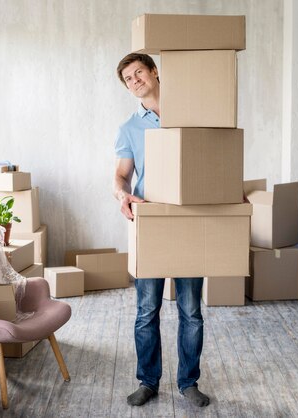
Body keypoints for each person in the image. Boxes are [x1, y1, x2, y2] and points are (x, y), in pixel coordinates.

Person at [113, 53, 210, 408]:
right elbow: (121, 176)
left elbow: (211, 158)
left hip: (188, 220)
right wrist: (122, 194)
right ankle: (148, 381)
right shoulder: (130, 128)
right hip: (151, 223)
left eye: (138, 71)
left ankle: (189, 382)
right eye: (127, 78)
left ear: (154, 72)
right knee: (146, 310)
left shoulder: (192, 114)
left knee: (191, 311)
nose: (134, 80)